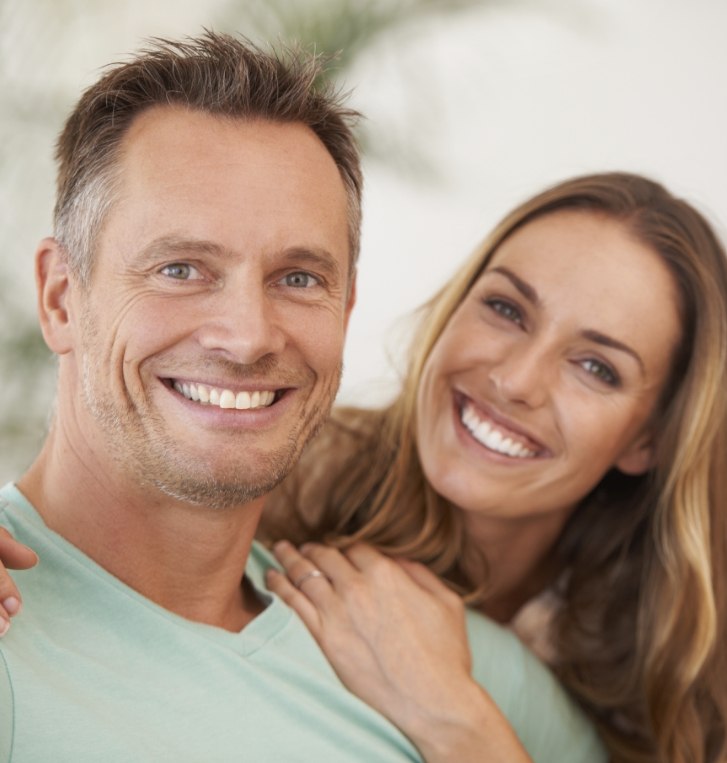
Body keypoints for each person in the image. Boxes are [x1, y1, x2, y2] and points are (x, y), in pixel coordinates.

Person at [0, 31, 605, 763]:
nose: (248, 336)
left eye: (297, 278)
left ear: (346, 311)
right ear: (61, 297)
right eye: (181, 268)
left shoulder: (451, 668)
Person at [259, 172, 727, 763]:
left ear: (649, 441)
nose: (515, 380)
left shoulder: (679, 660)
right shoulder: (278, 478)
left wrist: (455, 719)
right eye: (506, 309)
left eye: (596, 367)